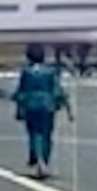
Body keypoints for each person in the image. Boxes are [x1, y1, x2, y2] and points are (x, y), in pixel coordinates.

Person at [12, 44, 70, 179]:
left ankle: (35, 157)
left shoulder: (26, 72)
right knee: (46, 134)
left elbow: (22, 91)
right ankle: (44, 158)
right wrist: (64, 104)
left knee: (33, 133)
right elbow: (57, 89)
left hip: (31, 104)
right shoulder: (50, 72)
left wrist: (19, 107)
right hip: (47, 104)